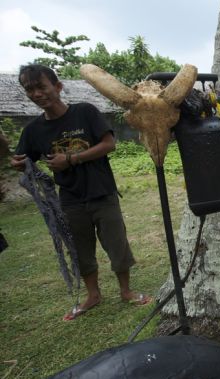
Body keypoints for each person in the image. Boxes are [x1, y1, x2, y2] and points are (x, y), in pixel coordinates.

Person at [10, 64, 151, 321]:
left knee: (116, 244)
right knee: (80, 250)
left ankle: (126, 290)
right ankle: (93, 295)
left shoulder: (85, 112)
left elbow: (109, 144)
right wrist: (19, 163)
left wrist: (71, 159)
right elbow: (23, 159)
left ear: (58, 87)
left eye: (42, 87)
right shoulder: (33, 131)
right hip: (70, 199)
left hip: (102, 193)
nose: (37, 94)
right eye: (30, 90)